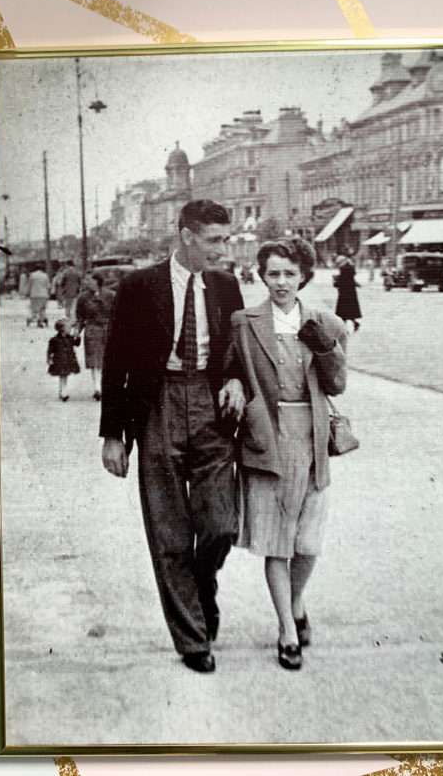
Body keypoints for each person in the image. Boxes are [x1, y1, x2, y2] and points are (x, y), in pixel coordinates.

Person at [100, 199, 246, 674]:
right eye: (214, 241)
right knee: (169, 532)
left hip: (210, 406)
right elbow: (116, 360)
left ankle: (203, 587)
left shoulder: (227, 286)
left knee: (222, 524)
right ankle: (193, 640)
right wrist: (114, 436)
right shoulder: (140, 286)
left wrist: (234, 379)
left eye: (225, 240)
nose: (222, 251)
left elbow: (236, 352)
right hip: (157, 406)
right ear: (186, 236)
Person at [226, 237, 347, 671]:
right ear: (262, 275)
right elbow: (230, 367)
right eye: (273, 273)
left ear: (303, 277)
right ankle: (287, 629)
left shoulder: (325, 321)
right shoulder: (244, 322)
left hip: (312, 440)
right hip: (267, 440)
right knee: (277, 542)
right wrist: (236, 384)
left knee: (309, 543)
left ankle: (296, 602)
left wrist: (325, 348)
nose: (280, 282)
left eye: (289, 274)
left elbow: (336, 385)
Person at [75, 272, 113, 400]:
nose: (86, 282)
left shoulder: (110, 295)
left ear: (97, 281)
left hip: (108, 330)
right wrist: (76, 332)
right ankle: (98, 388)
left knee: (109, 360)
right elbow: (80, 317)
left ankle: (106, 386)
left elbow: (118, 313)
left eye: (89, 280)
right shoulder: (83, 298)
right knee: (94, 360)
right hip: (92, 330)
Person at [47, 318, 80, 401]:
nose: (70, 329)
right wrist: (49, 359)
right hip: (59, 361)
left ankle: (62, 391)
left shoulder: (70, 338)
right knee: (63, 376)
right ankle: (63, 392)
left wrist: (77, 336)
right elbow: (50, 351)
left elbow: (77, 344)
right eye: (69, 328)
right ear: (62, 329)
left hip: (68, 360)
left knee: (64, 376)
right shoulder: (54, 340)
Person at [334, 253, 362, 332]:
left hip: (344, 292)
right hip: (350, 292)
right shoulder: (350, 267)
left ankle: (344, 325)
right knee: (350, 309)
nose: (338, 265)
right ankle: (354, 323)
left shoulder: (344, 269)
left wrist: (336, 281)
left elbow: (343, 280)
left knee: (343, 309)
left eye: (338, 263)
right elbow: (350, 279)